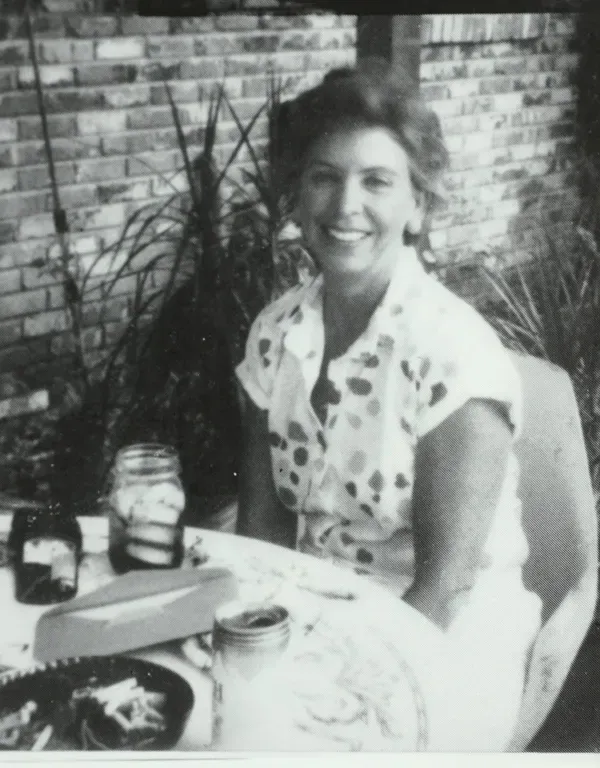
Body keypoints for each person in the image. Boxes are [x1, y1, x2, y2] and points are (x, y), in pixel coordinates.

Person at [234, 60, 543, 746]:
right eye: (324, 177)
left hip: (446, 635)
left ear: (418, 207)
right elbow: (262, 529)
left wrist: (336, 694)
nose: (345, 206)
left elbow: (445, 589)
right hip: (317, 609)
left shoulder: (453, 354)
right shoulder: (274, 334)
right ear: (296, 197)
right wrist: (257, 645)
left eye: (377, 181)